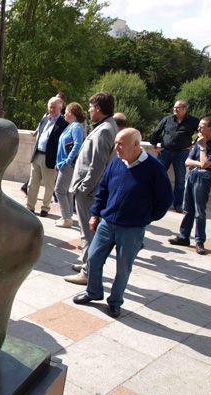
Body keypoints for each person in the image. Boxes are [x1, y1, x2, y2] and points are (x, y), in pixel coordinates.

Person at [72, 128, 172, 318]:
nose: (116, 148)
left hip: (132, 229)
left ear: (136, 145)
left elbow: (165, 199)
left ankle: (115, 302)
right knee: (93, 258)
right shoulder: (117, 162)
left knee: (123, 267)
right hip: (107, 223)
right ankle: (93, 292)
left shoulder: (154, 168)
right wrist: (95, 213)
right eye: (115, 143)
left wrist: (146, 217)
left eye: (120, 144)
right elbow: (103, 188)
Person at [64, 92, 118, 285]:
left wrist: (84, 188)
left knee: (88, 232)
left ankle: (88, 272)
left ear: (98, 108)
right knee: (86, 231)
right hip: (89, 189)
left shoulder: (104, 130)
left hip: (89, 191)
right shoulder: (107, 126)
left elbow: (98, 165)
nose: (88, 110)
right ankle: (87, 262)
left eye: (91, 106)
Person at [168, 117, 211, 255]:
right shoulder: (199, 141)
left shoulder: (204, 144)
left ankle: (199, 241)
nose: (198, 129)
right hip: (192, 175)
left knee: (200, 211)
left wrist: (203, 147)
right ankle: (184, 237)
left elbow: (206, 163)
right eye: (198, 126)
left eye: (202, 126)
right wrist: (201, 164)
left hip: (204, 178)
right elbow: (187, 161)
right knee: (188, 209)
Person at [150, 100, 200, 212]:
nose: (175, 109)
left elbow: (201, 132)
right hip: (165, 152)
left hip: (182, 153)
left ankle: (177, 204)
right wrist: (154, 146)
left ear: (185, 109)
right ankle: (155, 199)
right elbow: (156, 132)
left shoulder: (193, 121)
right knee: (158, 175)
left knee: (180, 179)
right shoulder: (167, 119)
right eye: (174, 107)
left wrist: (194, 145)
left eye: (178, 107)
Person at [27, 97, 68, 217]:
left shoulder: (64, 123)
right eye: (50, 106)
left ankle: (45, 208)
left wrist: (59, 160)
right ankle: (30, 206)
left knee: (49, 185)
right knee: (32, 183)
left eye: (54, 107)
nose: (51, 109)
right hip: (37, 155)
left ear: (60, 108)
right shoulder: (44, 119)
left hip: (50, 158)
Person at [54, 102, 86, 228]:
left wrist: (67, 161)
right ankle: (66, 217)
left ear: (71, 113)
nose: (64, 113)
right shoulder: (71, 126)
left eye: (66, 111)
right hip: (64, 164)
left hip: (68, 165)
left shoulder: (76, 127)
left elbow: (78, 145)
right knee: (66, 191)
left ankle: (67, 219)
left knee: (59, 190)